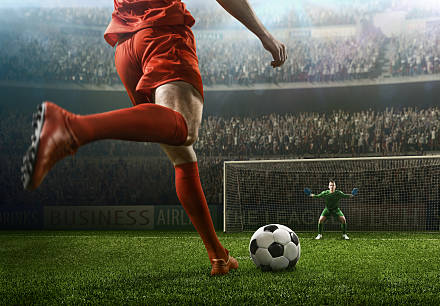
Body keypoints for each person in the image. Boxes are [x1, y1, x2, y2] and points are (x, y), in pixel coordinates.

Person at [20, 0, 286, 276]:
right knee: (185, 129)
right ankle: (72, 127)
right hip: (161, 31)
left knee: (181, 151)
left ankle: (218, 255)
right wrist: (264, 34)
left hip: (125, 45)